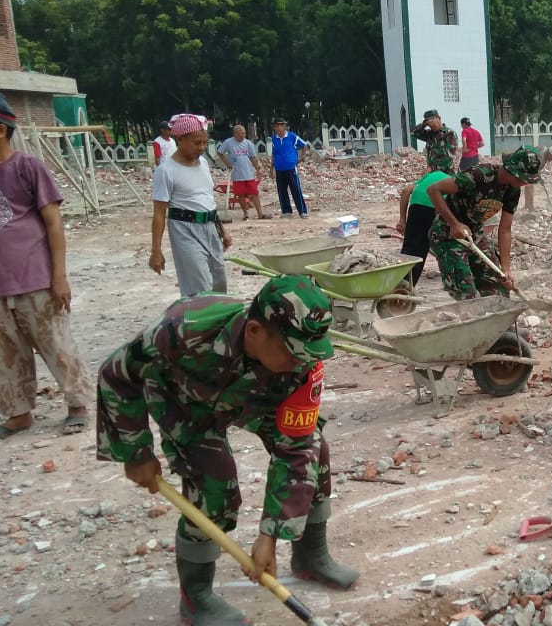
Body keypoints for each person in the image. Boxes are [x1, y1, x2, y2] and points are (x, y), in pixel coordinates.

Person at [95, 275, 359, 626]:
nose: (302, 362)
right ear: (254, 331)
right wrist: (135, 452)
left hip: (258, 398)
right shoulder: (183, 328)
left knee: (315, 453)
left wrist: (270, 534)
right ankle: (197, 597)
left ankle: (310, 555)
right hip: (185, 399)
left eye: (308, 354)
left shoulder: (303, 363)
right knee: (214, 485)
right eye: (291, 351)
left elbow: (295, 450)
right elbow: (117, 375)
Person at [0, 92, 94, 445]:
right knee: (2, 353)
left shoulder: (28, 167)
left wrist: (59, 276)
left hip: (36, 278)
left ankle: (77, 406)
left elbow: (53, 224)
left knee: (57, 345)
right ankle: (17, 415)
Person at [425, 146, 542, 300]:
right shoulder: (478, 175)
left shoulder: (513, 190)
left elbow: (505, 229)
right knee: (467, 295)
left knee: (498, 288)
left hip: (475, 236)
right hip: (447, 237)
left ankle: (499, 323)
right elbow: (433, 190)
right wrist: (454, 224)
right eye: (523, 179)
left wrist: (506, 269)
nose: (524, 183)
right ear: (512, 171)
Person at [150, 114, 232, 298]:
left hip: (210, 228)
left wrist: (222, 230)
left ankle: (217, 325)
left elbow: (207, 200)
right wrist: (156, 251)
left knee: (219, 283)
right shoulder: (166, 171)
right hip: (185, 232)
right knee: (199, 288)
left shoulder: (202, 163)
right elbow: (159, 213)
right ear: (179, 139)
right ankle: (198, 325)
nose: (202, 147)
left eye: (204, 142)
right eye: (197, 143)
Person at [396, 170, 452, 287]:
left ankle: (401, 285)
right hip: (437, 207)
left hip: (416, 207)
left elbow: (406, 190)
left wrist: (402, 220)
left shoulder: (428, 177)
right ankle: (405, 290)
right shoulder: (453, 180)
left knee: (412, 250)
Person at [216, 124, 270, 221]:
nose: (244, 135)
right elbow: (220, 152)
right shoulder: (228, 142)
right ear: (235, 133)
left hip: (249, 173)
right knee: (240, 194)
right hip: (237, 174)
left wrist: (257, 170)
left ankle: (260, 213)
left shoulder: (248, 143)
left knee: (254, 193)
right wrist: (227, 163)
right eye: (242, 133)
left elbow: (253, 157)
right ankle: (245, 214)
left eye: (244, 133)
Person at [271, 118, 310, 218]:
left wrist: (300, 158)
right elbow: (273, 154)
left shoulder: (292, 137)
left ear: (284, 126)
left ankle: (302, 211)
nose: (278, 128)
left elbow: (304, 145)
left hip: (291, 167)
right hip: (279, 168)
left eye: (280, 125)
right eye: (276, 126)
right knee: (281, 190)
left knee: (295, 189)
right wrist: (271, 168)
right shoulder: (274, 139)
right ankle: (286, 211)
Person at [413, 109, 458, 174]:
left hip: (446, 173)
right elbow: (413, 133)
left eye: (433, 121)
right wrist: (424, 124)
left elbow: (449, 156)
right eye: (430, 124)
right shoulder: (429, 134)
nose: (433, 125)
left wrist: (432, 168)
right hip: (432, 173)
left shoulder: (449, 133)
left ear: (439, 118)